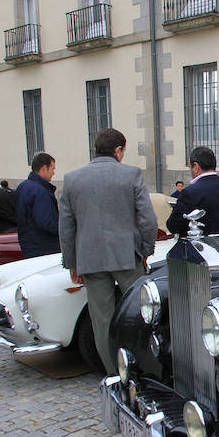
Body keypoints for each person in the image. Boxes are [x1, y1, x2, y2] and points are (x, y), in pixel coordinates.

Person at [59, 128, 157, 375]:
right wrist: (145, 251)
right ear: (118, 150)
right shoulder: (131, 175)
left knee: (102, 322)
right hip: (126, 255)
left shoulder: (72, 179)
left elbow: (66, 227)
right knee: (140, 314)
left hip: (90, 258)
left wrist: (72, 263)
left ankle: (115, 374)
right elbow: (148, 219)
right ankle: (144, 369)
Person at [166, 147, 219, 236]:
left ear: (195, 166)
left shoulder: (189, 192)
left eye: (190, 167)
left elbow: (173, 226)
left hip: (197, 246)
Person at [15, 153, 60, 257]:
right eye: (52, 169)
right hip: (44, 246)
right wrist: (64, 229)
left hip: (28, 243)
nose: (53, 173)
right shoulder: (40, 191)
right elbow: (46, 222)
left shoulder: (22, 186)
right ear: (44, 168)